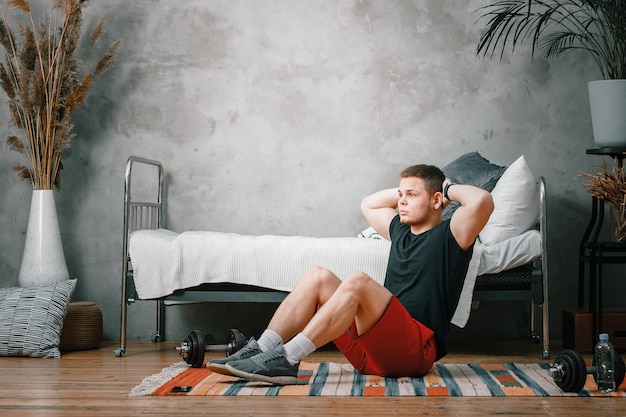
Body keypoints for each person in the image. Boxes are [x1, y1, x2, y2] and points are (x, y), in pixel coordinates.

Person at [207, 164, 494, 385]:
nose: (401, 202)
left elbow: (482, 201)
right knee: (317, 275)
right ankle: (262, 350)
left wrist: (447, 188)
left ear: (435, 200)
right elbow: (369, 203)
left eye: (411, 195)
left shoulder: (453, 234)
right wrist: (406, 189)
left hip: (415, 353)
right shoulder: (400, 233)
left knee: (358, 281)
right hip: (371, 354)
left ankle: (287, 357)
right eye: (400, 195)